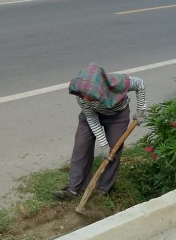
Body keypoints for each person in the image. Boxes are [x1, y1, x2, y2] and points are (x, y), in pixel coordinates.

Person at [53, 63, 147, 200]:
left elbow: (140, 84)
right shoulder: (81, 94)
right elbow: (92, 119)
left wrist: (141, 110)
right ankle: (73, 189)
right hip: (91, 116)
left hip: (117, 116)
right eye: (84, 95)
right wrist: (103, 145)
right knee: (81, 147)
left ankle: (102, 190)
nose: (85, 98)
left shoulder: (118, 82)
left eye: (90, 96)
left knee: (113, 150)